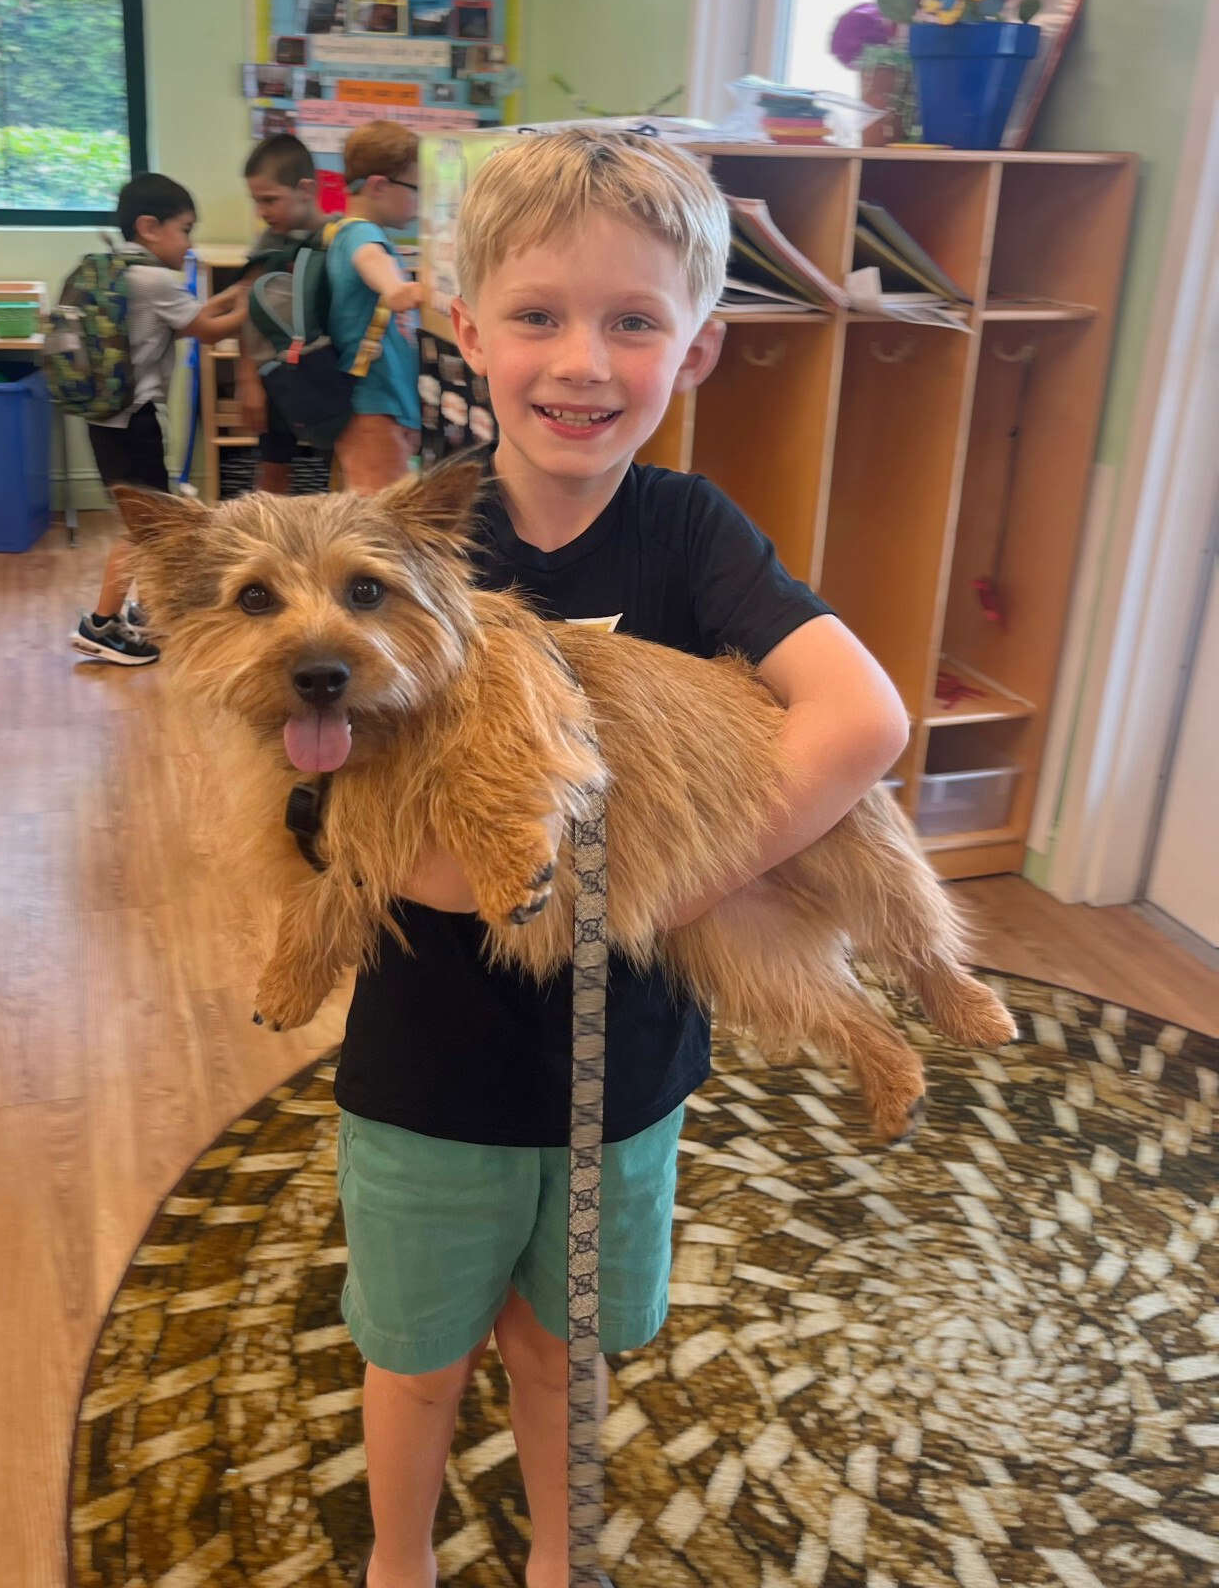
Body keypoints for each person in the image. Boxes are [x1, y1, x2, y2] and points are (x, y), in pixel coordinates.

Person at [332, 129, 910, 1588]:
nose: (583, 363)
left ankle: (556, 1558)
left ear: (695, 350)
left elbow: (862, 718)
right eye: (538, 315)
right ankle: (398, 1563)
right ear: (468, 330)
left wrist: (664, 881)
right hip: (431, 1071)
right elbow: (325, 789)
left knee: (560, 1349)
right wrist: (456, 872)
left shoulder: (691, 532)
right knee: (417, 1364)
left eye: (634, 322)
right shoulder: (405, 541)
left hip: (624, 1068)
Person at [71, 173, 252, 666]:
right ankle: (102, 625)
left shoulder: (118, 273)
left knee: (145, 520)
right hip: (136, 422)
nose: (189, 243)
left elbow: (193, 317)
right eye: (185, 229)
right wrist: (256, 302)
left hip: (105, 420)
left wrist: (236, 292)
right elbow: (209, 331)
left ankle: (145, 610)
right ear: (150, 227)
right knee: (144, 529)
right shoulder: (154, 281)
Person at [325, 120, 425, 495]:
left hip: (383, 404)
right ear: (379, 186)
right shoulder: (360, 232)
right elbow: (369, 259)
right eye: (415, 189)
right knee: (382, 512)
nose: (420, 202)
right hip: (373, 405)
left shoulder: (354, 231)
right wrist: (394, 287)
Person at [234, 134, 336, 496]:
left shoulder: (337, 239)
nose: (261, 211)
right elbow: (247, 315)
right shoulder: (266, 244)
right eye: (256, 201)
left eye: (269, 199)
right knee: (272, 474)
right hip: (274, 378)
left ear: (305, 189)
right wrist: (248, 381)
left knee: (340, 475)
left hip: (327, 379)